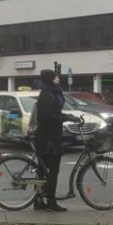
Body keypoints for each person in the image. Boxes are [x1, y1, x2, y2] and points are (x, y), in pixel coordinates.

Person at [31, 69, 79, 212]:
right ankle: (50, 201)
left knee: (44, 171)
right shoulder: (47, 94)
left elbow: (55, 112)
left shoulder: (52, 92)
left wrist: (70, 116)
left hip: (51, 136)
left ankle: (39, 201)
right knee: (52, 171)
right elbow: (47, 117)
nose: (58, 78)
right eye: (55, 76)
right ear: (50, 79)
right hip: (48, 139)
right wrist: (66, 118)